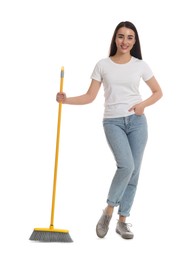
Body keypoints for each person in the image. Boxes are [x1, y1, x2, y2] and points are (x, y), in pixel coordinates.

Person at [56, 21, 163, 239]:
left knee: (134, 172)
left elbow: (158, 92)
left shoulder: (140, 65)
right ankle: (109, 210)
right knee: (126, 166)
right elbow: (89, 97)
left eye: (130, 37)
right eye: (121, 36)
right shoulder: (102, 65)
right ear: (115, 38)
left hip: (137, 122)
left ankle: (122, 221)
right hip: (112, 122)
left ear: (135, 41)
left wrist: (142, 105)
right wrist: (66, 101)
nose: (125, 41)